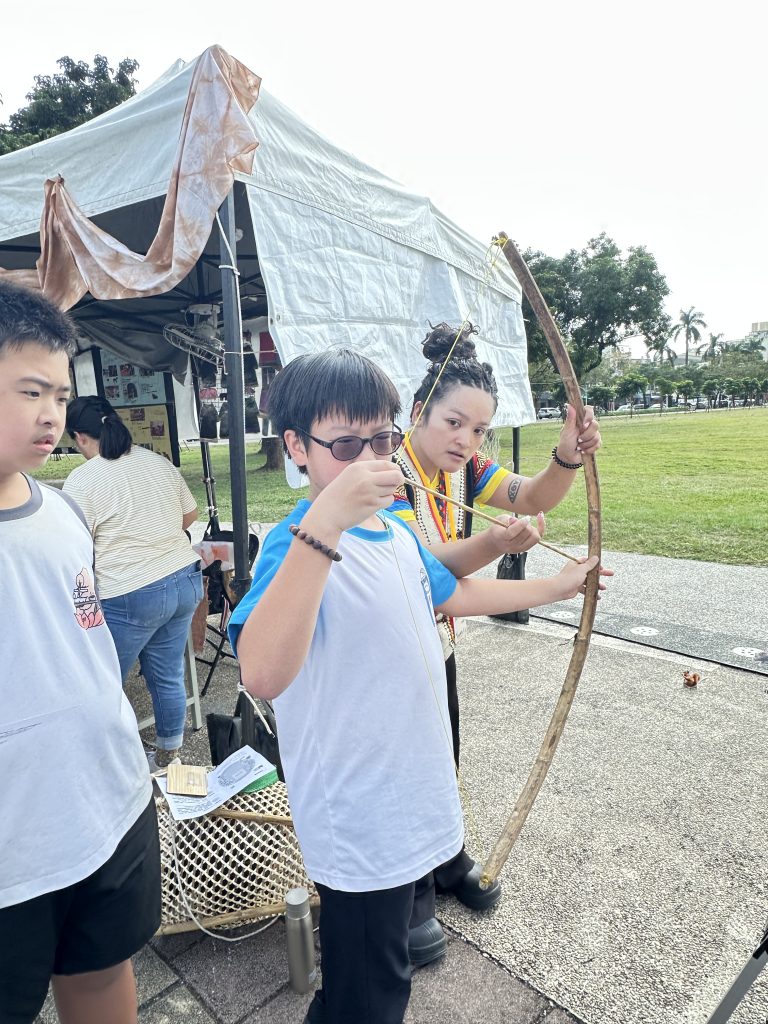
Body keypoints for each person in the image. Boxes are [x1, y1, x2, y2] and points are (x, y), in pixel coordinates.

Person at [228, 348, 611, 1024]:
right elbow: (261, 670)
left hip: (403, 795)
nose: (372, 459)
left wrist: (557, 583)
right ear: (296, 447)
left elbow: (448, 593)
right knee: (366, 993)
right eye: (345, 444)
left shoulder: (390, 529)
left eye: (379, 440)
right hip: (359, 815)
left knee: (378, 980)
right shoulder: (295, 542)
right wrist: (325, 521)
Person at [390, 321, 603, 963]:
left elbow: (533, 496)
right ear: (421, 411)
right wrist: (496, 545)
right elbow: (426, 574)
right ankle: (408, 891)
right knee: (403, 767)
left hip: (438, 647)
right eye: (454, 423)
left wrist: (567, 455)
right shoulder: (387, 469)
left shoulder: (465, 468)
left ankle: (446, 856)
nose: (466, 440)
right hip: (393, 650)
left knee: (442, 753)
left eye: (479, 429)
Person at [0, 280, 160, 1024]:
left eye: (60, 396)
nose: (51, 415)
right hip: (13, 849)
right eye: (31, 391)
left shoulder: (62, 510)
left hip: (108, 802)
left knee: (101, 973)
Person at [63, 396, 203, 770]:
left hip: (131, 593)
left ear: (79, 437)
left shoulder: (83, 479)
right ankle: (168, 754)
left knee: (104, 682)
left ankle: (109, 762)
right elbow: (189, 515)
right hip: (184, 580)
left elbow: (75, 544)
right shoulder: (157, 462)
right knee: (168, 672)